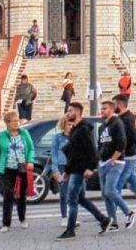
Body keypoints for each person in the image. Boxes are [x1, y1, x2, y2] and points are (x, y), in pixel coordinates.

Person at [57, 102, 111, 240]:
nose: (67, 113)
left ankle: (70, 230)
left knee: (72, 199)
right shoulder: (75, 130)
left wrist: (90, 167)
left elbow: (92, 150)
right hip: (74, 168)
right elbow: (74, 153)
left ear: (77, 112)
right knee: (80, 199)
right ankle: (104, 220)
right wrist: (67, 171)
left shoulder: (83, 130)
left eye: (70, 111)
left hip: (80, 169)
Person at [0, 111, 36, 232]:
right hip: (7, 169)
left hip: (22, 168)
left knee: (21, 195)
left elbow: (31, 149)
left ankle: (22, 219)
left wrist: (30, 161)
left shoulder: (24, 133)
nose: (16, 123)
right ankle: (6, 223)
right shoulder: (1, 136)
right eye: (13, 121)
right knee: (8, 195)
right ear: (7, 123)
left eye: (17, 120)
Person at [96, 100, 133, 230]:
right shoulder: (101, 127)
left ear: (111, 110)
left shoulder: (117, 123)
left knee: (110, 190)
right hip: (103, 163)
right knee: (105, 195)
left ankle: (128, 212)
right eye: (102, 108)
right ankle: (113, 222)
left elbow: (122, 143)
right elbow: (100, 145)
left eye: (105, 108)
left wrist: (113, 159)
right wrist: (99, 160)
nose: (102, 111)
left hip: (115, 162)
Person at [47, 111, 72, 221]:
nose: (70, 127)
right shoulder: (58, 137)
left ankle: (72, 217)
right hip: (62, 167)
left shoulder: (76, 137)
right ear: (64, 124)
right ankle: (64, 217)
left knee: (74, 193)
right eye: (68, 124)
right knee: (63, 193)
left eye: (72, 124)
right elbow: (54, 154)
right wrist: (55, 169)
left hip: (74, 167)